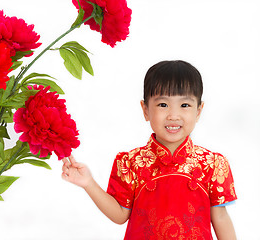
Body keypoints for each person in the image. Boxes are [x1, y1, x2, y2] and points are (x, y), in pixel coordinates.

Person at [61, 60, 237, 240]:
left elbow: (220, 217)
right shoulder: (130, 162)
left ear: (199, 111)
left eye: (184, 105)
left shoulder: (213, 164)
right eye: (163, 105)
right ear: (145, 110)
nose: (173, 115)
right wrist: (88, 183)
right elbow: (120, 215)